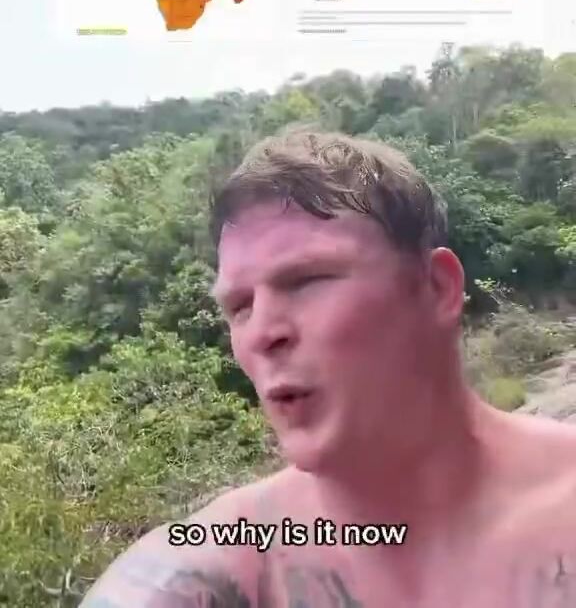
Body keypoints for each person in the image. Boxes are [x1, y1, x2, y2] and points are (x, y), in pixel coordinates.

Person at [80, 130, 576, 607]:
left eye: (306, 281)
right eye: (240, 306)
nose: (262, 332)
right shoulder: (214, 570)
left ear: (437, 289)